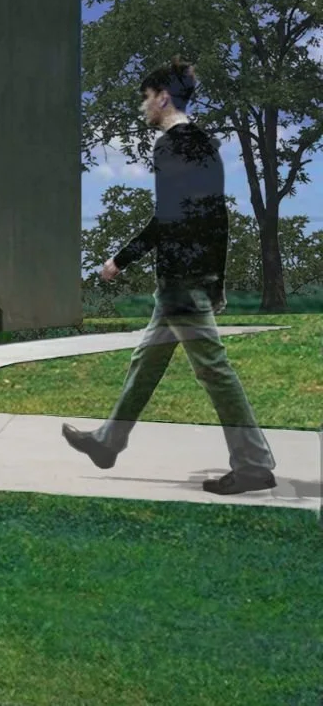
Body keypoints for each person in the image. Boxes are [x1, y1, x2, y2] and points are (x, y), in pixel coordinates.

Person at [61, 57, 277, 495]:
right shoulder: (205, 145)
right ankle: (108, 442)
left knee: (214, 370)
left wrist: (119, 260)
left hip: (180, 279)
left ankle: (254, 464)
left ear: (162, 97)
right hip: (192, 276)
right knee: (146, 362)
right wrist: (215, 280)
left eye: (146, 98)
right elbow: (217, 219)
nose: (144, 107)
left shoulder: (170, 145)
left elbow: (169, 219)